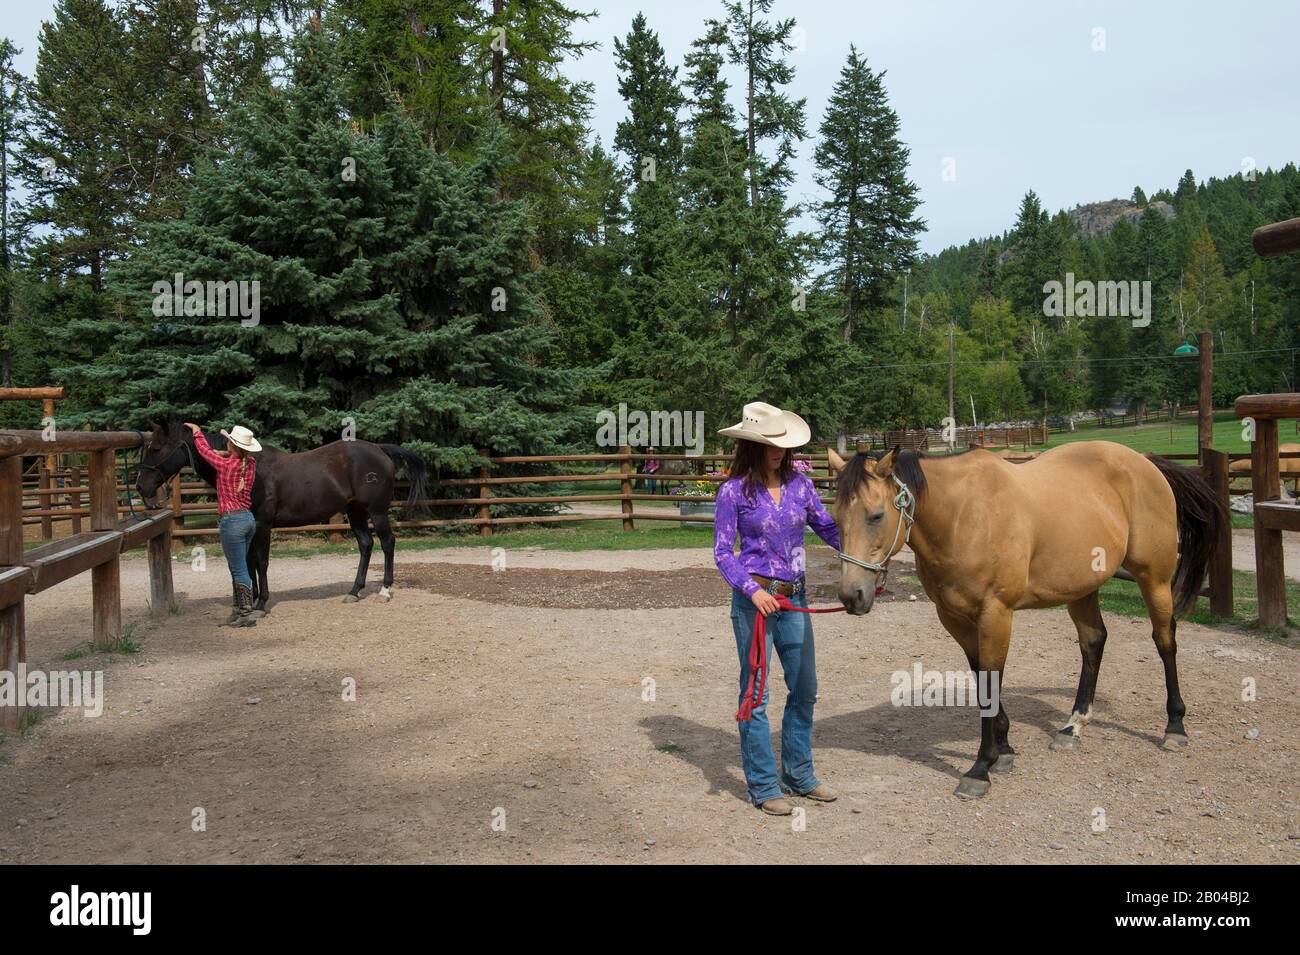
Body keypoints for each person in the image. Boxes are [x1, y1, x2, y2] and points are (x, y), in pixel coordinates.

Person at [713, 402, 841, 815]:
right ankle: (764, 786)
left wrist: (865, 553)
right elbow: (722, 553)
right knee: (756, 694)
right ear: (751, 446)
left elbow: (827, 528)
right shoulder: (733, 492)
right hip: (756, 604)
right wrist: (752, 591)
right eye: (769, 445)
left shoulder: (801, 486)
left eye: (781, 445)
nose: (778, 452)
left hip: (794, 597)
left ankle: (799, 774)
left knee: (805, 688)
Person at [183, 422, 262, 627]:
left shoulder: (225, 465)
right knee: (238, 566)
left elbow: (203, 451)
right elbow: (238, 457)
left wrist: (196, 431)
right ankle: (239, 610)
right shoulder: (250, 464)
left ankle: (245, 613)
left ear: (231, 446)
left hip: (232, 521)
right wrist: (227, 452)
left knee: (238, 569)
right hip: (247, 519)